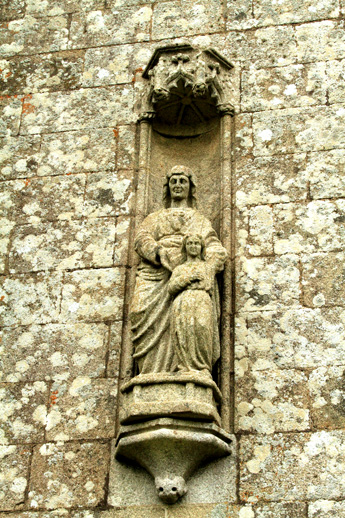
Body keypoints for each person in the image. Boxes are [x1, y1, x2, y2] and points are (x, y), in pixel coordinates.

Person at [130, 165, 227, 374]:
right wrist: (158, 252)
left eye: (182, 181)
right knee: (139, 313)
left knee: (192, 323)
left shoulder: (199, 220)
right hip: (155, 274)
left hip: (187, 273)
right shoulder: (155, 217)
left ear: (190, 187)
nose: (177, 185)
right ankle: (150, 374)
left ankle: (190, 368)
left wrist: (207, 267)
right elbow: (141, 238)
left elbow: (214, 245)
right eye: (173, 181)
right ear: (167, 187)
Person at [168, 234, 217, 375]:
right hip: (182, 302)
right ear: (185, 247)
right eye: (190, 244)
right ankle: (185, 367)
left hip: (201, 299)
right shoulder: (179, 268)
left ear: (201, 247)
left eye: (196, 243)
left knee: (202, 328)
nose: (193, 246)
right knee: (183, 331)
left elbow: (207, 283)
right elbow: (171, 288)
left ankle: (203, 367)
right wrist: (188, 278)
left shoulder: (207, 266)